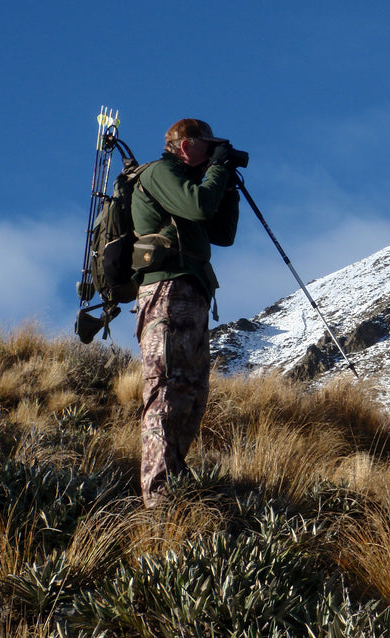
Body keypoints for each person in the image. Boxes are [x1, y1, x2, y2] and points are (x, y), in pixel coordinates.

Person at [131, 118, 242, 507]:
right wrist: (216, 170)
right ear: (184, 145)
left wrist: (226, 185)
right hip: (165, 289)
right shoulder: (162, 173)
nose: (212, 151)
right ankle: (158, 501)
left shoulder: (193, 181)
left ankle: (173, 487)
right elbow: (197, 206)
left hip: (192, 293)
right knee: (165, 392)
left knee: (192, 395)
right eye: (206, 144)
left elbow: (222, 233)